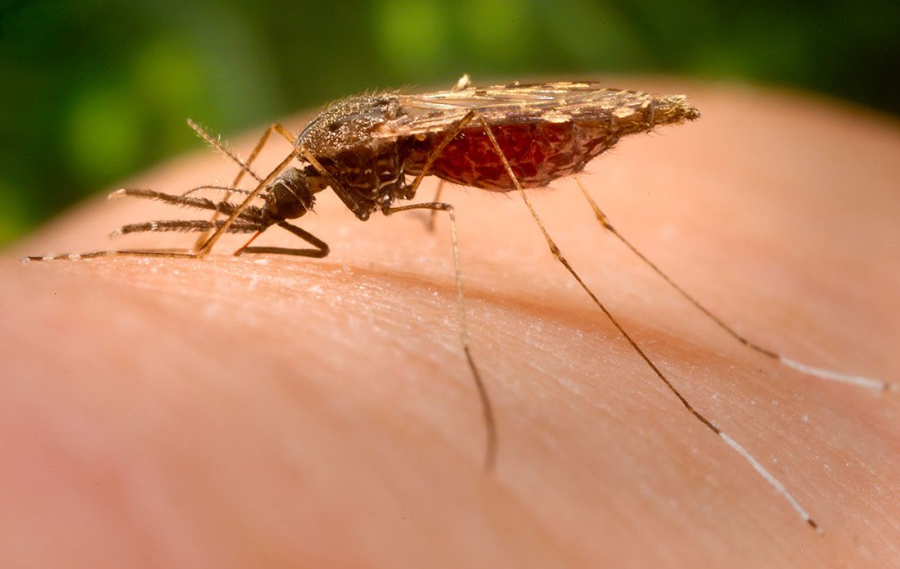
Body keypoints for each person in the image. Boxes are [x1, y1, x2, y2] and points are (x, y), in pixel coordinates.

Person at [4, 80, 898, 566]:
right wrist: (216, 223)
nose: (272, 205)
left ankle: (721, 369)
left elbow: (436, 120)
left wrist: (469, 343)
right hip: (428, 131)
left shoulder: (333, 155)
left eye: (261, 204)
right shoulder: (311, 152)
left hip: (499, 136)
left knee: (473, 198)